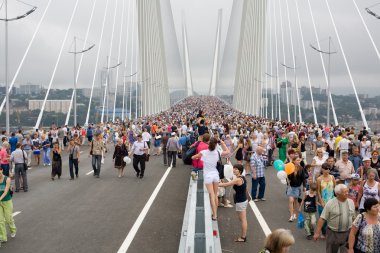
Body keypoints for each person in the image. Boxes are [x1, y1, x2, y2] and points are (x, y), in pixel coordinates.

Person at [191, 137, 229, 221]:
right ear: (216, 144)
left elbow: (193, 157)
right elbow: (228, 152)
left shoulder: (204, 152)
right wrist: (222, 142)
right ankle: (215, 214)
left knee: (211, 195)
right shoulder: (218, 152)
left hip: (208, 175)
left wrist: (199, 157)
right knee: (215, 194)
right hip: (216, 175)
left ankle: (214, 214)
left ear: (208, 143)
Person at [314, 184, 356, 253]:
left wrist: (355, 232)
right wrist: (317, 233)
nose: (347, 193)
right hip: (333, 234)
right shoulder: (330, 203)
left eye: (347, 191)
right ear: (337, 194)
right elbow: (322, 218)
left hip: (347, 233)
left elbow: (354, 218)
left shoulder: (351, 202)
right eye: (344, 192)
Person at [218, 164, 248, 242]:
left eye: (236, 169)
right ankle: (243, 236)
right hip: (243, 200)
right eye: (234, 168)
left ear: (240, 171)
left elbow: (226, 184)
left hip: (241, 201)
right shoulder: (242, 177)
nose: (234, 170)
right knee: (242, 219)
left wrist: (216, 184)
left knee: (243, 219)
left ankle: (243, 237)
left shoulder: (237, 179)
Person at [0, 166, 16, 246]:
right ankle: (3, 237)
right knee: (0, 221)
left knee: (8, 219)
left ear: (1, 170)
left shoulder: (7, 179)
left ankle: (13, 230)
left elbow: (6, 191)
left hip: (7, 201)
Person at [286, 157, 306, 222]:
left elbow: (303, 178)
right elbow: (287, 176)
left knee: (295, 201)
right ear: (294, 161)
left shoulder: (301, 168)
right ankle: (291, 216)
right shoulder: (290, 167)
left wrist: (304, 186)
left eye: (299, 160)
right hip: (291, 187)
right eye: (297, 160)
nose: (298, 161)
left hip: (297, 187)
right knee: (291, 201)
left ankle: (295, 213)